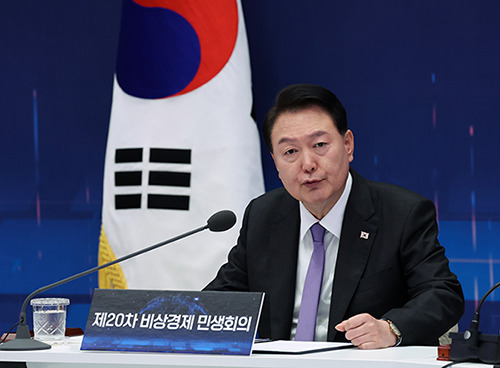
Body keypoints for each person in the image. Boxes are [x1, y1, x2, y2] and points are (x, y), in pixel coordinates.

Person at [204, 84, 464, 349]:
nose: (307, 164)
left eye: (319, 145)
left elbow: (442, 294)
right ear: (276, 163)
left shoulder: (402, 213)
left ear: (348, 145)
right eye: (290, 152)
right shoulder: (263, 215)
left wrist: (390, 328)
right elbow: (222, 297)